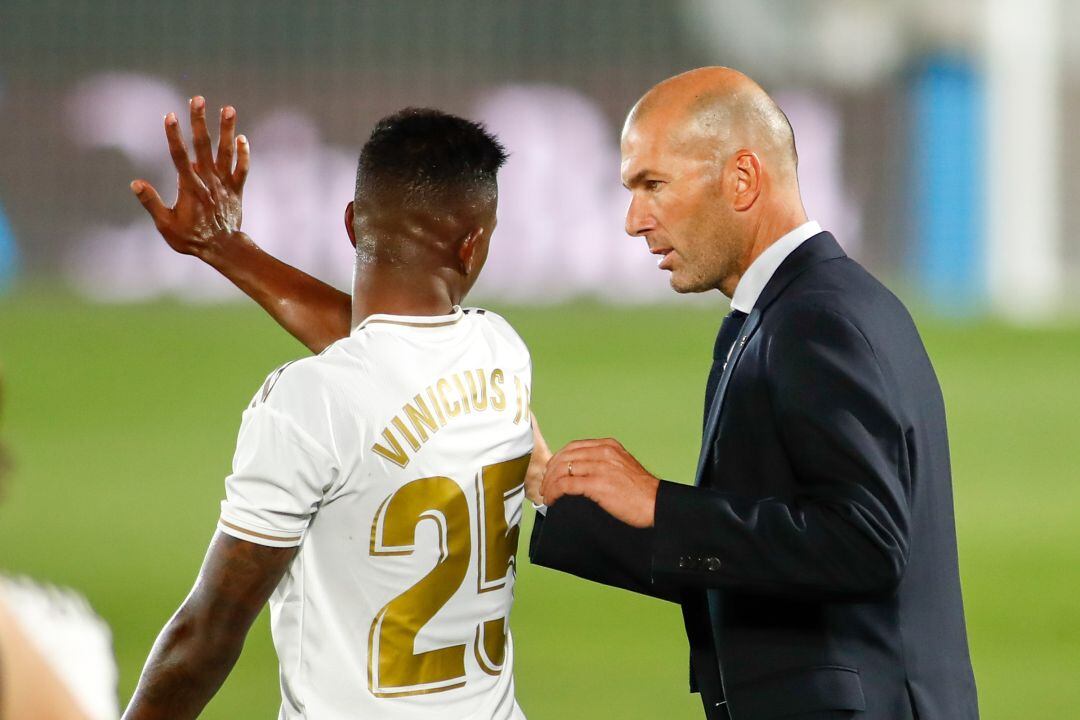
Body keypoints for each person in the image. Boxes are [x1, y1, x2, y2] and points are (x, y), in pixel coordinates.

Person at [531, 67, 979, 719]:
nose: (633, 220)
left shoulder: (818, 320)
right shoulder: (786, 313)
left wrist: (659, 501)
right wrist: (554, 494)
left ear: (741, 179)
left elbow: (865, 545)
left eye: (653, 184)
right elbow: (755, 560)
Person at [124, 98, 541, 719]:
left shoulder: (306, 403)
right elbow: (386, 355)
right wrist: (224, 247)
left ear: (350, 224)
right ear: (472, 246)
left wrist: (224, 246)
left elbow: (206, 635)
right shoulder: (503, 354)